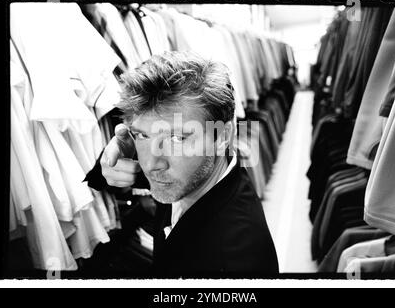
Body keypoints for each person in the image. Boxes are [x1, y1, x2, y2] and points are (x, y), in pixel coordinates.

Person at [92, 51, 278, 277]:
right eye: (142, 135)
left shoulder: (232, 262)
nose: (151, 164)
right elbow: (112, 174)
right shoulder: (198, 170)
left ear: (222, 137)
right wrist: (111, 157)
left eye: (177, 138)